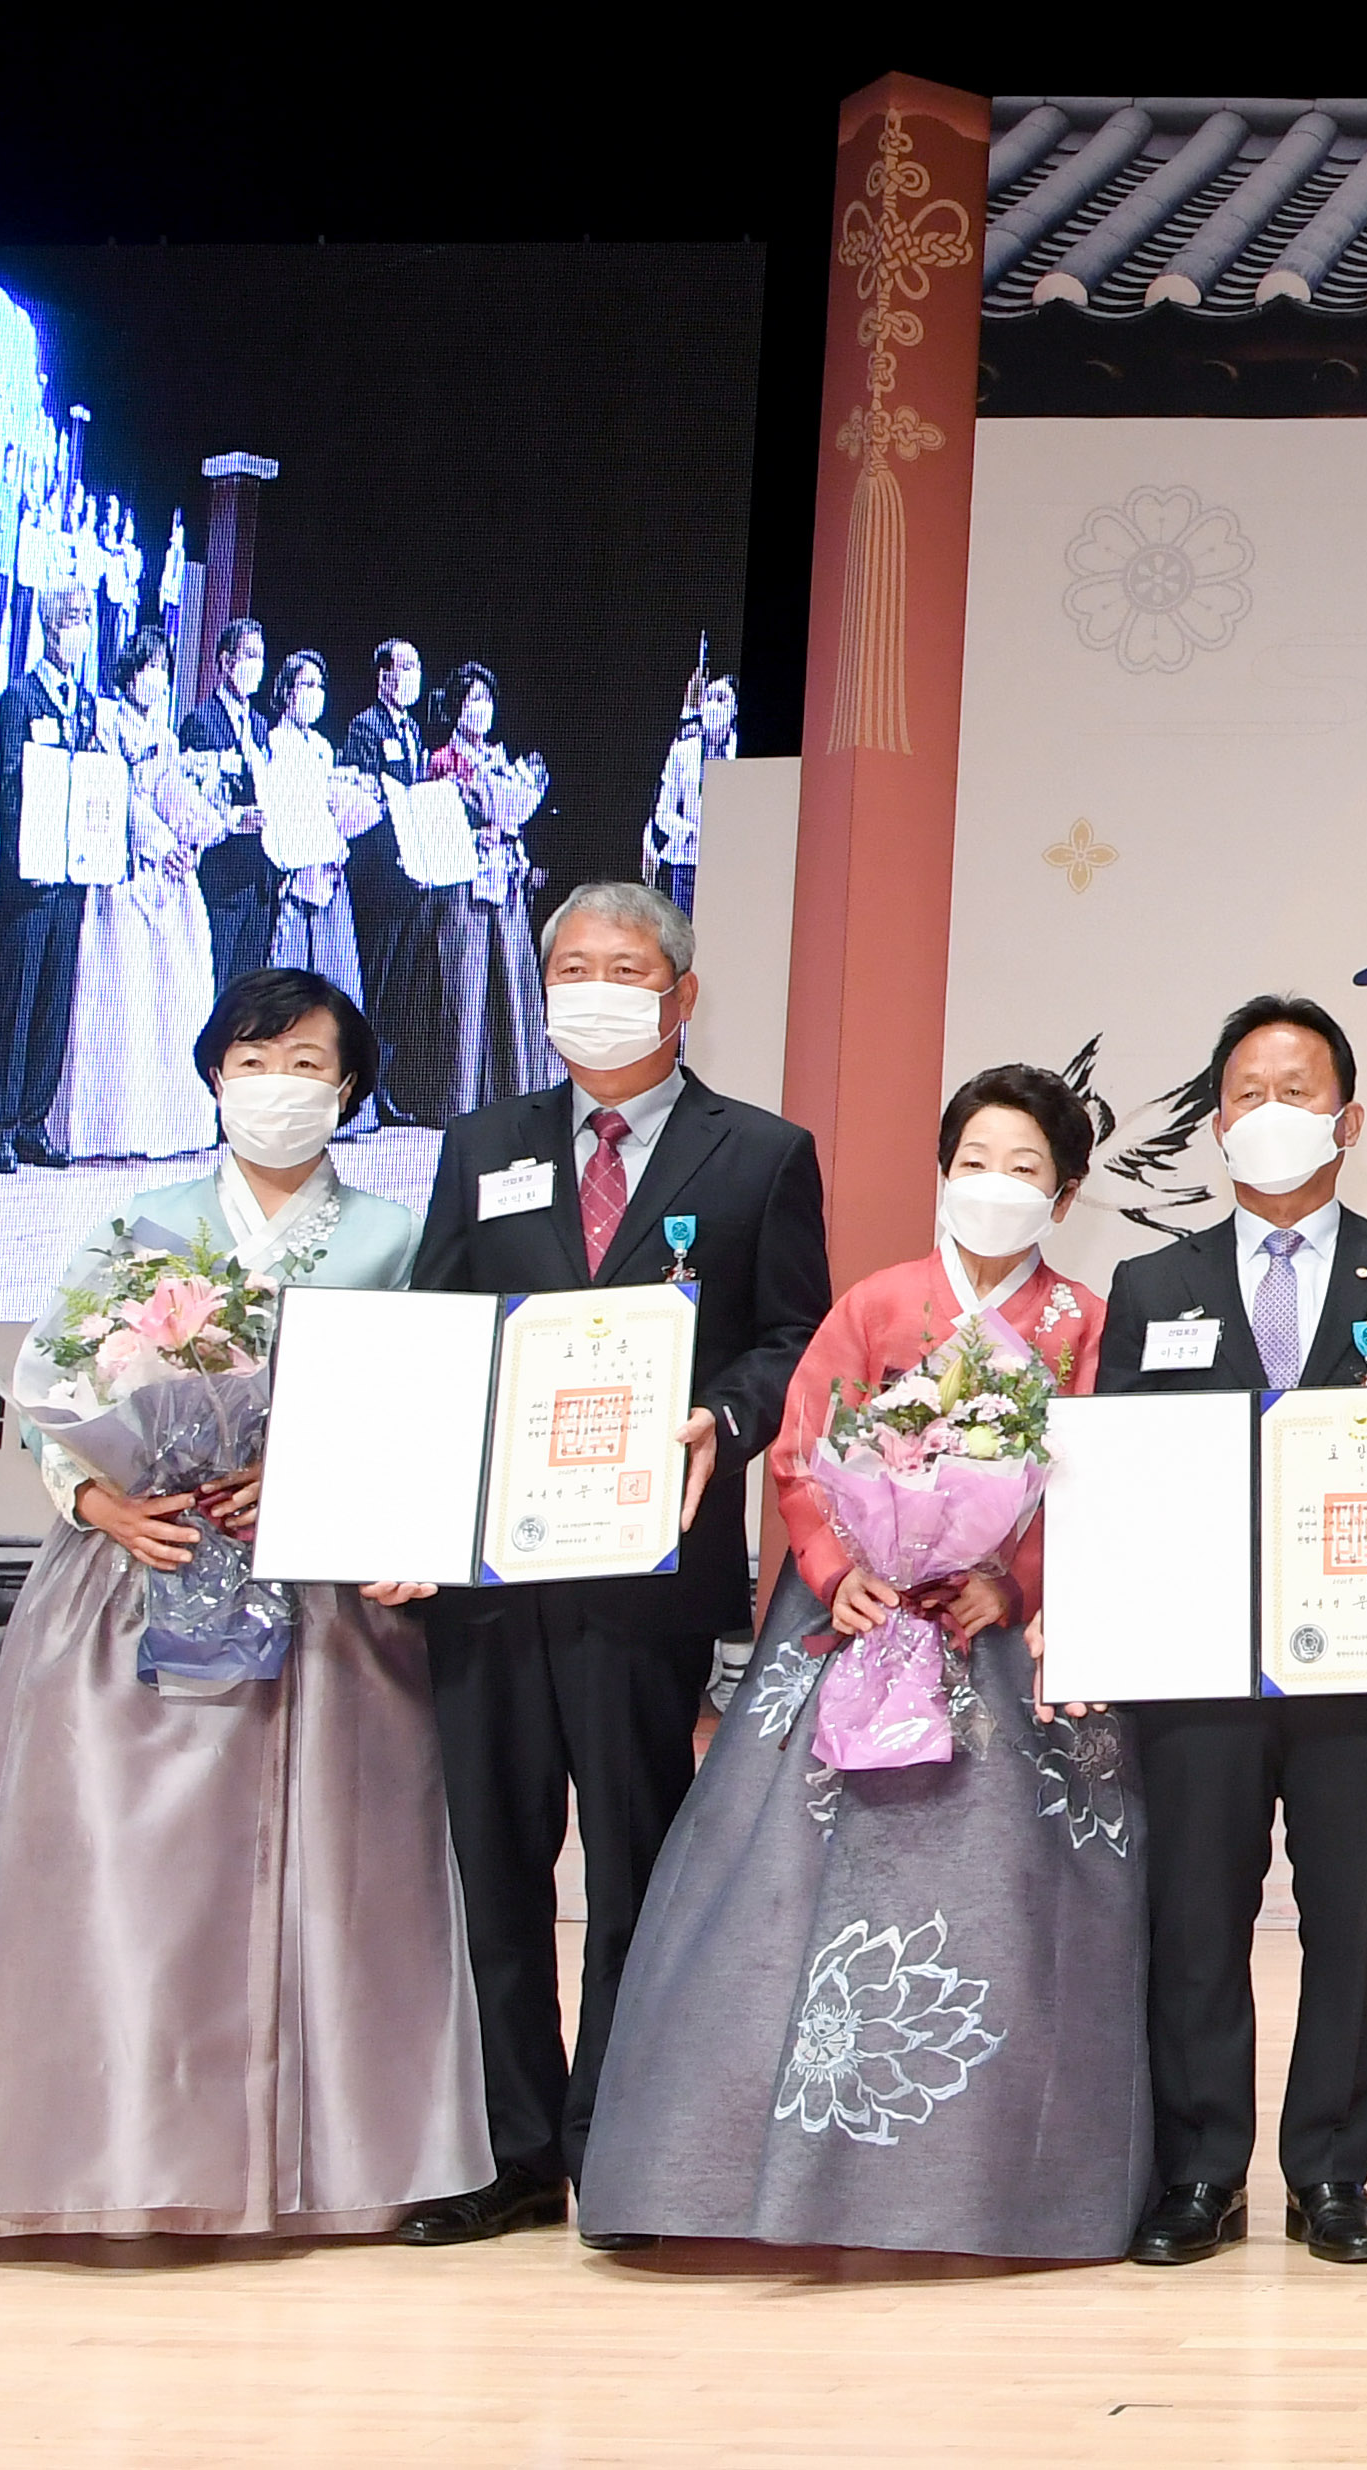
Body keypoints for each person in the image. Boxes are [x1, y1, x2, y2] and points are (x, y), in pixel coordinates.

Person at [0, 971, 490, 2241]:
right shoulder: (141, 1219)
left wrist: (317, 1471)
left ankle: (326, 2168)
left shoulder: (394, 1235)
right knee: (132, 1870)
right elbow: (53, 1385)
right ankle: (120, 2154)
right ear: (215, 1075)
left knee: (333, 1878)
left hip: (324, 1594)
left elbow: (429, 1396)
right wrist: (99, 1500)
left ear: (349, 1086)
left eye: (308, 1064)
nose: (278, 1085)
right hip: (141, 1575)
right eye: (253, 1060)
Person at [578, 1063, 1156, 2260]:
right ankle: (733, 2177)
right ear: (941, 1173)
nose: (995, 1185)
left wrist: (1015, 1579)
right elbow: (802, 1451)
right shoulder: (877, 1302)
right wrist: (839, 1567)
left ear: (1065, 1194)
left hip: (999, 1636)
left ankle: (991, 2186)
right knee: (771, 1891)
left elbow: (1098, 1474)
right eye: (974, 1162)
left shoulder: (1084, 1320)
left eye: (1025, 1168)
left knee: (1016, 1899)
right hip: (860, 1615)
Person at [402, 882, 831, 2246]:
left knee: (636, 1866)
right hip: (488, 1573)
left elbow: (793, 1338)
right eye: (571, 969)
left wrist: (723, 1415)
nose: (595, 990)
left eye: (625, 969)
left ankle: (623, 2150)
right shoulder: (483, 1142)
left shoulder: (760, 1153)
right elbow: (433, 1331)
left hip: (645, 1568)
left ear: (680, 993)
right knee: (497, 1867)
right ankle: (517, 2151)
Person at [1100, 993, 1367, 2270]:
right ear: (1217, 1125)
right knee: (1194, 1917)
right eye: (1248, 1095)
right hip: (1195, 1659)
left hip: (1361, 1661)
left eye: (1298, 1091)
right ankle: (1198, 2171)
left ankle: (1331, 2171)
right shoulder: (1150, 1282)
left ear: (1348, 1117)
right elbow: (1118, 1476)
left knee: (1350, 1916)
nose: (1272, 1114)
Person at [45, 630, 219, 1162]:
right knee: (122, 1001)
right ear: (129, 673)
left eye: (163, 668)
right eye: (147, 667)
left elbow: (174, 791)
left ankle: (165, 1125)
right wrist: (159, 842)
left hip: (166, 879)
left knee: (171, 999)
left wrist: (194, 833)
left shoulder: (165, 736)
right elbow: (114, 792)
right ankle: (109, 1126)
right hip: (120, 877)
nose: (155, 678)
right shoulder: (105, 722)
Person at [375, 662, 553, 1125]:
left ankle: (508, 1091)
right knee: (465, 991)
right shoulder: (443, 760)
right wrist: (477, 834)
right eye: (473, 700)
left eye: (487, 700)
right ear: (457, 707)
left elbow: (514, 812)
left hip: (501, 882)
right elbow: (437, 822)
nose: (481, 709)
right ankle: (457, 1096)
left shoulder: (500, 758)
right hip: (462, 888)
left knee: (507, 985)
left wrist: (509, 833)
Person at [0, 593, 108, 1173]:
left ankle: (36, 1121)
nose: (79, 631)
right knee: (17, 999)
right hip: (29, 876)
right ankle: (1, 1127)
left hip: (72, 876)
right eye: (71, 620)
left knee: (55, 1001)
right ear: (49, 628)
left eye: (86, 621)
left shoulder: (85, 703)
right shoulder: (19, 697)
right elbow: (8, 782)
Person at [176, 620, 284, 996]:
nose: (256, 665)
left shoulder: (260, 726)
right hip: (223, 875)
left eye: (261, 657)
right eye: (248, 655)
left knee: (249, 990)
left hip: (259, 877)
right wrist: (231, 819)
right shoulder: (201, 721)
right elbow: (191, 801)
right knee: (216, 983)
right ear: (225, 661)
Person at [259, 652, 370, 1004]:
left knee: (332, 980)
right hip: (295, 877)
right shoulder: (274, 742)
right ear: (287, 691)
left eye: (319, 685)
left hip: (329, 875)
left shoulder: (323, 747)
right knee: (290, 984)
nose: (314, 692)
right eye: (306, 684)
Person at [340, 641, 429, 1013]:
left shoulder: (413, 729)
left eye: (416, 667)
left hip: (408, 869)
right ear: (384, 675)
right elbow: (362, 799)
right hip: (376, 869)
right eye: (404, 667)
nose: (412, 675)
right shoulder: (366, 726)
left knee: (398, 977)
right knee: (372, 967)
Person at [649, 671, 733, 912]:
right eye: (709, 698)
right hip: (687, 863)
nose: (713, 706)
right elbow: (662, 813)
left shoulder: (740, 754)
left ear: (735, 708)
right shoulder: (683, 751)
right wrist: (690, 833)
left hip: (730, 865)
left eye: (721, 699)